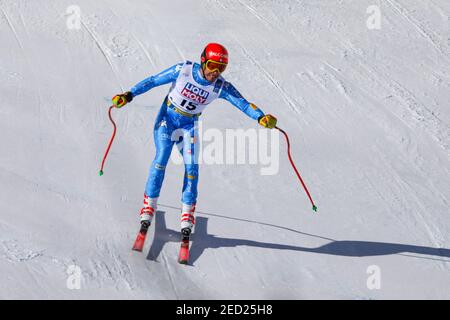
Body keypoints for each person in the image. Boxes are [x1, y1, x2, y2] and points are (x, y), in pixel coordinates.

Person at [112, 43, 277, 237]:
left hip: (188, 126)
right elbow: (153, 81)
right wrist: (129, 94)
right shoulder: (183, 70)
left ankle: (187, 212)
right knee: (162, 158)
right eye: (213, 65)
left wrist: (261, 117)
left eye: (221, 68)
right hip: (167, 119)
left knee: (192, 167)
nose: (215, 72)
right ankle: (149, 206)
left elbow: (243, 104)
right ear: (203, 61)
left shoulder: (220, 86)